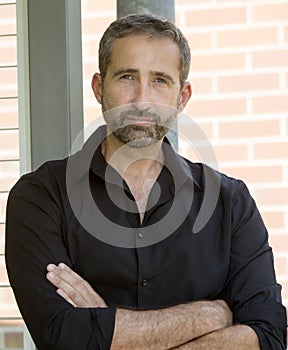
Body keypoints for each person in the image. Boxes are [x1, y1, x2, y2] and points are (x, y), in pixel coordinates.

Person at [5, 14, 287, 350]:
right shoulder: (41, 197)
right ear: (99, 88)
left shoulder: (230, 202)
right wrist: (207, 318)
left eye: (160, 81)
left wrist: (106, 328)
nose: (142, 99)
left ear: (182, 97)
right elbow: (61, 334)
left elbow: (269, 335)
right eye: (126, 77)